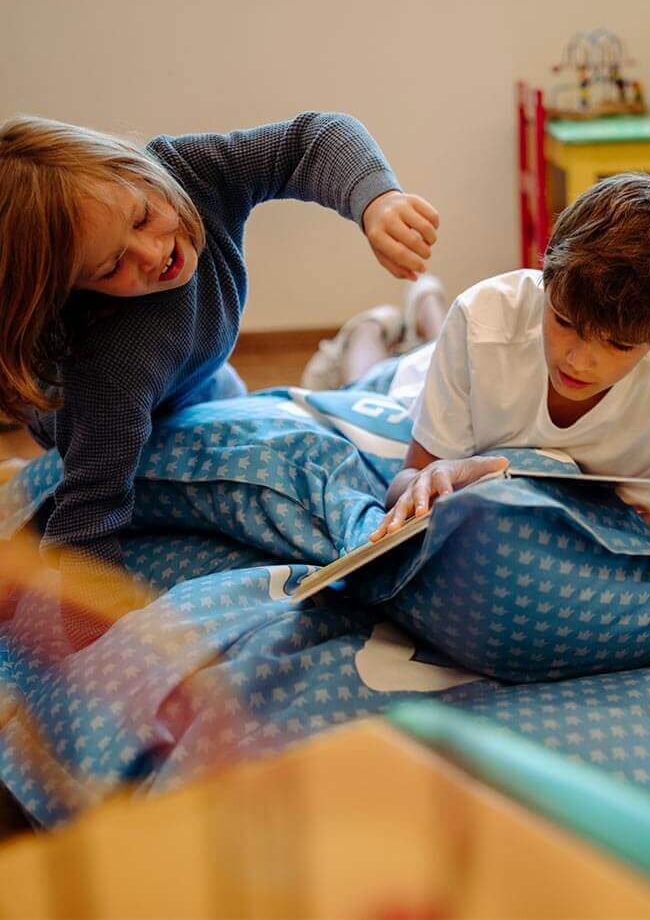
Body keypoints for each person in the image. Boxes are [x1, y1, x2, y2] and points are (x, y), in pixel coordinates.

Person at [0, 112, 439, 647]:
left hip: (199, 372)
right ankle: (20, 483)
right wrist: (97, 652)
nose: (153, 253)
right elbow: (89, 519)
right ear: (78, 290)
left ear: (139, 170)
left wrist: (376, 200)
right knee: (93, 479)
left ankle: (368, 331)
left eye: (141, 218)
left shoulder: (189, 170)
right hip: (118, 415)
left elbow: (308, 140)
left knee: (239, 404)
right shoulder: (107, 376)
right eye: (112, 266)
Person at [306, 173, 650, 542]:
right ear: (546, 274)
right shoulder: (483, 319)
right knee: (368, 382)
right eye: (563, 321)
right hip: (417, 382)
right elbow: (405, 482)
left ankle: (426, 302)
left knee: (455, 343)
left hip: (478, 356)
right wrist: (429, 481)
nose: (578, 360)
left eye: (618, 345)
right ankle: (372, 327)